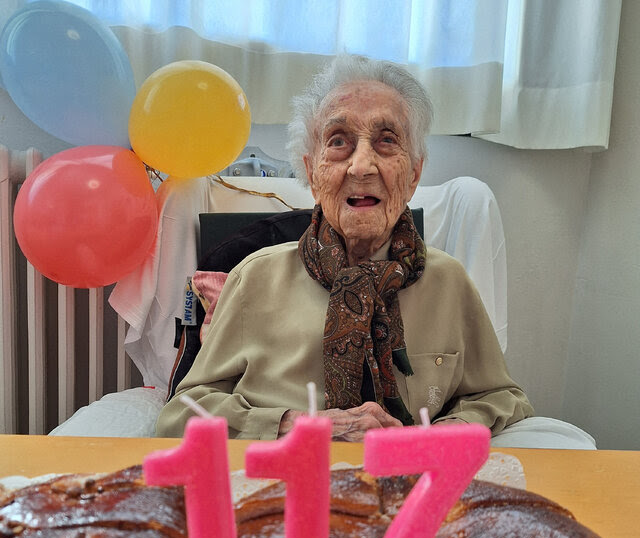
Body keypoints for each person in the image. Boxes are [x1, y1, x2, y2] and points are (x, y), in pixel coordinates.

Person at [156, 55, 533, 440]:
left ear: (415, 173)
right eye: (339, 142)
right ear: (313, 173)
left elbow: (501, 397)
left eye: (387, 141)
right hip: (284, 481)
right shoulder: (254, 278)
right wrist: (292, 426)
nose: (362, 166)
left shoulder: (448, 282)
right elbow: (182, 414)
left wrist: (438, 434)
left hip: (407, 483)